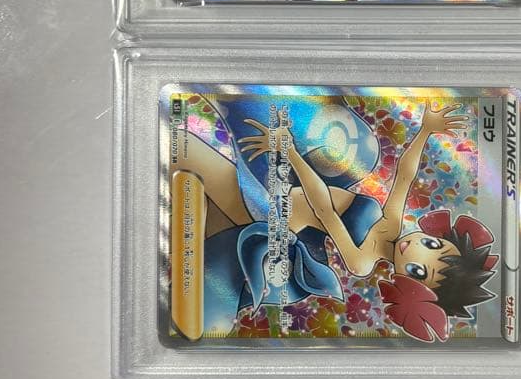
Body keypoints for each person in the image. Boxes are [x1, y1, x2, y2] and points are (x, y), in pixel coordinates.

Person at [172, 94, 498, 342]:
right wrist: (425, 131)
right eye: (432, 244)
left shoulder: (362, 262)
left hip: (271, 212)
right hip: (280, 191)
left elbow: (324, 210)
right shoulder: (391, 225)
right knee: (190, 189)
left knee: (183, 151)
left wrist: (290, 153)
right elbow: (404, 175)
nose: (416, 247)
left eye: (419, 270)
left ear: (411, 288)